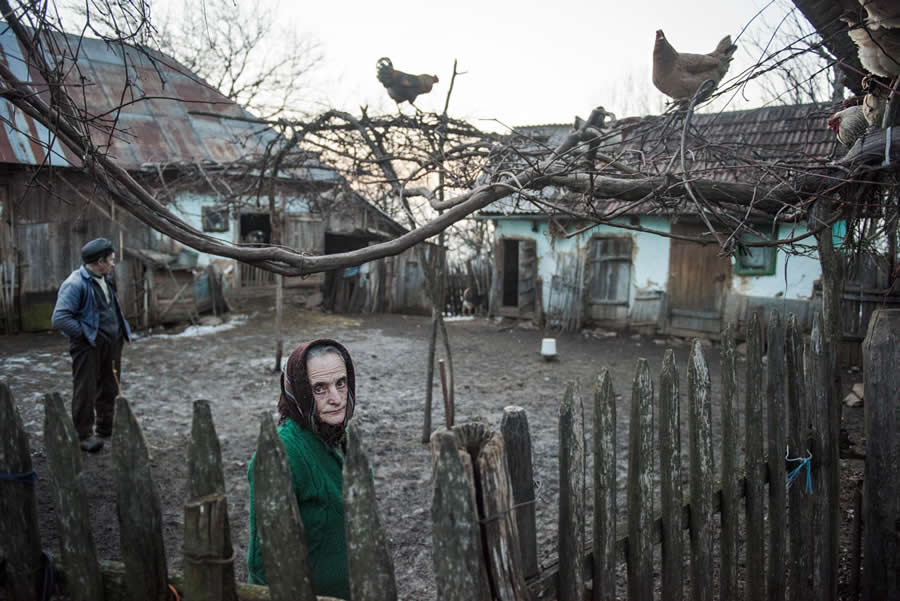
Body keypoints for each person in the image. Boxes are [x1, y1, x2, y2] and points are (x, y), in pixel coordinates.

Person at [247, 340, 356, 599]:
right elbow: (262, 565)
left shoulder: (340, 435)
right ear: (299, 391)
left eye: (341, 383)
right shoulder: (283, 455)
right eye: (320, 388)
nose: (336, 398)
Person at [51, 238, 131, 453]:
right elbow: (60, 318)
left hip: (112, 343)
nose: (113, 263)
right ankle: (83, 435)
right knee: (86, 389)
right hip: (88, 346)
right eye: (111, 260)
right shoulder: (75, 283)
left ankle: (105, 427)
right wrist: (87, 335)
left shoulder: (106, 277)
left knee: (110, 386)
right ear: (100, 261)